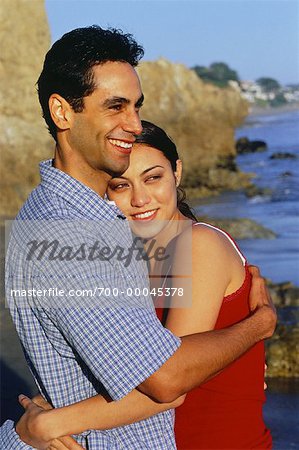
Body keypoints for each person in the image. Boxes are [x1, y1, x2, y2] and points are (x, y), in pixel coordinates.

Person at [1, 26, 276, 450]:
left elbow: (83, 359)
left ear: (177, 173)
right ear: (62, 112)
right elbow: (168, 380)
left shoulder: (80, 223)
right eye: (115, 107)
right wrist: (258, 325)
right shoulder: (74, 238)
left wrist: (48, 418)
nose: (132, 124)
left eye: (135, 106)